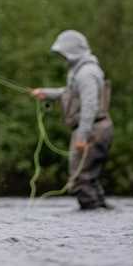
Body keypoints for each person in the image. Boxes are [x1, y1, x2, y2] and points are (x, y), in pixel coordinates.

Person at [31, 30, 112, 210]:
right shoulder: (83, 71)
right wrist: (46, 93)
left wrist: (82, 137)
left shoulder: (86, 73)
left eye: (63, 53)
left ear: (72, 51)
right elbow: (70, 93)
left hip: (92, 130)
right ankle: (102, 215)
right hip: (95, 128)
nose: (62, 57)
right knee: (89, 178)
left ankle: (92, 221)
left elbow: (89, 106)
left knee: (80, 180)